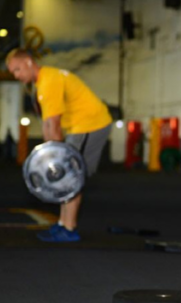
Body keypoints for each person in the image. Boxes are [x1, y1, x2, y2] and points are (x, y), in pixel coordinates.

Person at [6, 49, 113, 242]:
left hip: (91, 124)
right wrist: (49, 157)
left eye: (18, 69)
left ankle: (69, 229)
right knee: (64, 173)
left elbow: (53, 125)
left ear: (29, 62)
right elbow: (48, 124)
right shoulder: (44, 81)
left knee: (70, 175)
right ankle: (63, 224)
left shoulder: (48, 82)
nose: (16, 75)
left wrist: (54, 161)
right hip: (78, 126)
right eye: (13, 72)